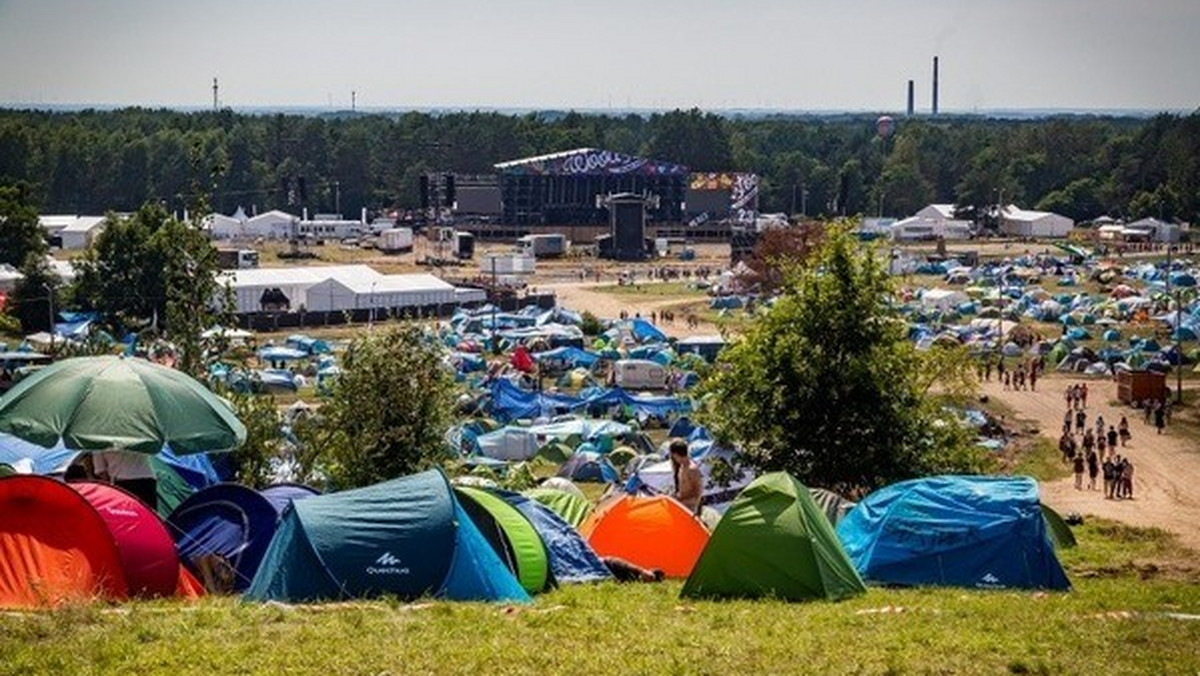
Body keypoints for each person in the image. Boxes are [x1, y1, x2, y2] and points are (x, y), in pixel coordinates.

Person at [90, 449, 157, 510]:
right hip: (147, 478)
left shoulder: (98, 440)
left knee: (131, 516)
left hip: (123, 482)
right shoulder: (138, 435)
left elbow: (101, 471)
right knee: (150, 516)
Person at [668, 438, 703, 515]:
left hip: (690, 510)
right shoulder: (682, 467)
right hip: (682, 507)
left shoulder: (692, 469)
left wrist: (680, 502)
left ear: (675, 455)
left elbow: (698, 495)